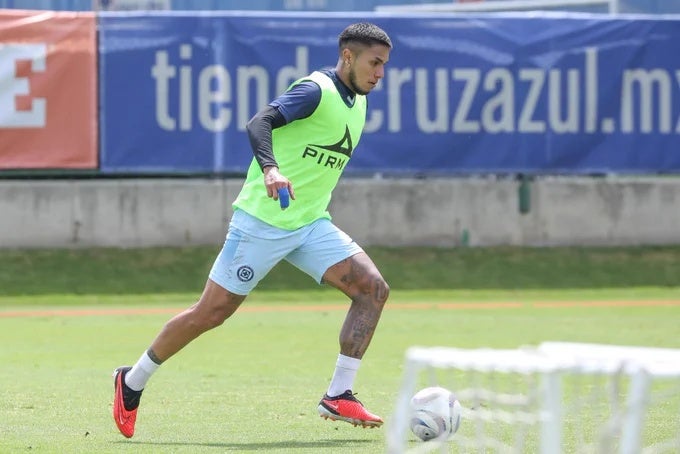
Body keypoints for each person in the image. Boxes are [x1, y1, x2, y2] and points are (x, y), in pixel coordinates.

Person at [112, 22, 392, 438]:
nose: (379, 73)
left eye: (384, 65)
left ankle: (339, 393)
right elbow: (259, 121)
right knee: (212, 312)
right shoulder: (316, 90)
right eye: (374, 63)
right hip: (262, 221)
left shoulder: (358, 101)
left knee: (372, 289)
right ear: (348, 57)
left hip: (310, 222)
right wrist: (271, 169)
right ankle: (131, 381)